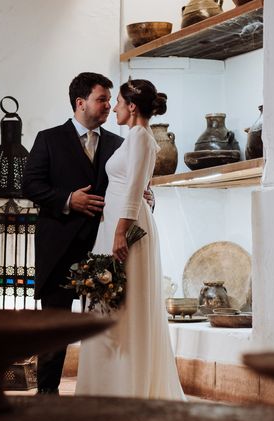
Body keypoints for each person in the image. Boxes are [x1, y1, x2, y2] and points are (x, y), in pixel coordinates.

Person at [22, 72, 152, 395]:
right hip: (59, 250)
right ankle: (46, 397)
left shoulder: (119, 143)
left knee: (105, 329)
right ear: (80, 103)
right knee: (55, 329)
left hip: (105, 250)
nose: (109, 105)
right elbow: (30, 186)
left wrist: (147, 195)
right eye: (102, 99)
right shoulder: (48, 139)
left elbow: (132, 182)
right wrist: (69, 199)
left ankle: (105, 390)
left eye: (111, 100)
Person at [75, 79, 186, 401]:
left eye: (119, 102)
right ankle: (106, 386)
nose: (115, 108)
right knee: (107, 306)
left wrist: (121, 232)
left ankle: (123, 388)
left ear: (132, 107)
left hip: (127, 228)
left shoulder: (140, 137)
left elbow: (136, 188)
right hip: (116, 223)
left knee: (122, 307)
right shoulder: (135, 139)